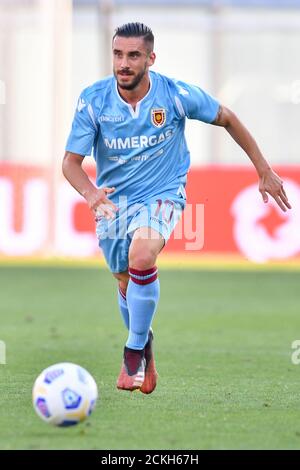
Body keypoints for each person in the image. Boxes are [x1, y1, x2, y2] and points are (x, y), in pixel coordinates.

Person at [62, 22, 291, 394]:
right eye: (118, 54)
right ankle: (145, 342)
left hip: (162, 193)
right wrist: (90, 194)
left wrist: (263, 170)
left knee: (142, 252)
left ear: (151, 59)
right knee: (123, 277)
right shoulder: (94, 100)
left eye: (133, 55)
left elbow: (227, 117)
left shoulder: (175, 95)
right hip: (113, 203)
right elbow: (70, 163)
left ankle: (133, 351)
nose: (124, 63)